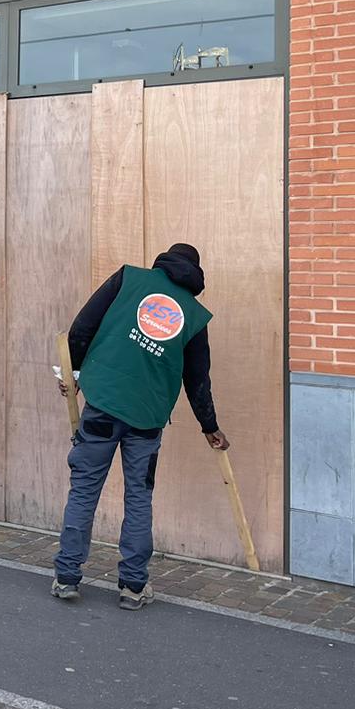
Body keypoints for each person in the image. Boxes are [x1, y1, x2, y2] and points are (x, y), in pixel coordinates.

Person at [51, 242, 229, 610]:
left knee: (84, 490)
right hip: (147, 418)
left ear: (163, 262)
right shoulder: (194, 315)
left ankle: (67, 577)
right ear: (195, 275)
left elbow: (82, 328)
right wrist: (209, 426)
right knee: (138, 497)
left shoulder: (127, 279)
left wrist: (75, 373)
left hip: (103, 404)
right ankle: (133, 586)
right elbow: (198, 379)